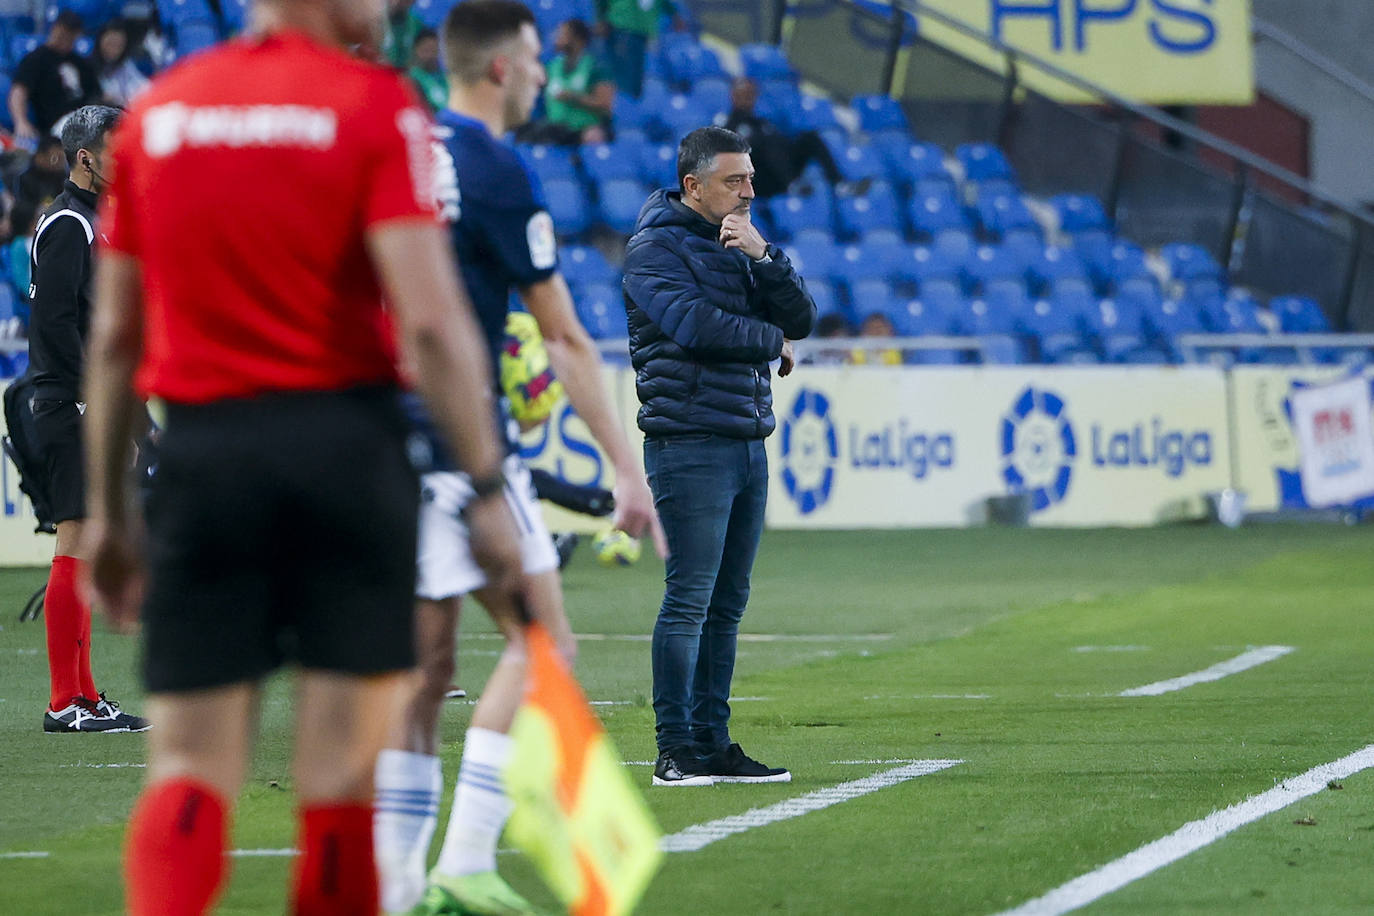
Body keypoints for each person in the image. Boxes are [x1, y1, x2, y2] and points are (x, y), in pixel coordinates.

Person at [81, 1, 525, 913]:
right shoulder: (373, 105)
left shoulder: (161, 112)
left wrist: (109, 514)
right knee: (337, 786)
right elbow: (434, 324)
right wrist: (484, 486)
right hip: (346, 459)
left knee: (189, 770)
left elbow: (117, 337)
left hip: (206, 457)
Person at [371, 3, 661, 914]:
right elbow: (566, 339)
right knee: (545, 644)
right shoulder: (495, 167)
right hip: (460, 443)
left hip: (372, 443)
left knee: (422, 677)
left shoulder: (393, 145)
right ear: (501, 69)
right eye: (536, 58)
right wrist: (625, 467)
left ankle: (395, 888)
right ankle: (463, 862)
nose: (546, 74)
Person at [623, 125, 816, 786]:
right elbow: (694, 327)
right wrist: (771, 340)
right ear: (692, 186)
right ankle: (674, 748)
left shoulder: (739, 242)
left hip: (744, 440)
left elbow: (804, 316)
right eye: (735, 180)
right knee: (690, 600)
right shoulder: (651, 250)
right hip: (688, 443)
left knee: (727, 604)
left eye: (751, 178)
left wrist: (766, 258)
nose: (748, 191)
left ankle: (713, 741)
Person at [23, 105, 148, 735]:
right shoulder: (69, 222)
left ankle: (86, 695)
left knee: (87, 545)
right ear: (85, 157)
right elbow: (57, 325)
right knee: (74, 540)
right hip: (69, 401)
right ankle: (61, 702)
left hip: (85, 400)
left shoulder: (96, 221)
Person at [721, 76, 853, 199]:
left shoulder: (762, 123)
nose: (748, 99)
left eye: (751, 95)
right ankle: (792, 184)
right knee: (767, 142)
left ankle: (839, 185)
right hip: (756, 179)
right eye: (744, 95)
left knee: (810, 138)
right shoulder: (730, 125)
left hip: (779, 172)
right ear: (734, 96)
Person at [8, 11, 102, 144]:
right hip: (54, 128)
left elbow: (95, 93)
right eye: (63, 34)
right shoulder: (36, 59)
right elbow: (19, 92)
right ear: (54, 29)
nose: (65, 40)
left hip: (83, 121)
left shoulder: (80, 63)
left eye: (70, 37)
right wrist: (21, 121)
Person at [519, 18, 614, 146]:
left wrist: (573, 97)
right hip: (556, 128)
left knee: (593, 136)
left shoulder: (595, 67)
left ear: (577, 40)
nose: (556, 39)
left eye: (562, 35)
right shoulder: (552, 67)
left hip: (583, 129)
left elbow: (604, 104)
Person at [594, 0, 678, 98]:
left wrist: (675, 14)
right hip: (622, 29)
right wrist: (601, 19)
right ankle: (620, 110)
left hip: (642, 34)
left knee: (635, 85)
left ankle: (630, 109)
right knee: (623, 83)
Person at [91, 19, 150, 108]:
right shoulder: (87, 66)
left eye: (118, 45)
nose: (113, 49)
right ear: (100, 40)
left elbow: (145, 90)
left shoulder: (126, 67)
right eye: (110, 43)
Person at [15, 135, 69, 210]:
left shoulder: (63, 177)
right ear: (40, 157)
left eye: (63, 158)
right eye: (55, 158)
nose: (60, 163)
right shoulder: (24, 179)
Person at [408, 28, 447, 112]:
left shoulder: (447, 78)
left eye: (434, 50)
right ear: (416, 50)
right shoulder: (411, 79)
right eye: (426, 50)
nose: (431, 55)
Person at [383, 0, 425, 67]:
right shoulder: (375, 21)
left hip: (405, 72)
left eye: (406, 1)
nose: (400, 3)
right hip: (379, 70)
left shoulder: (416, 24)